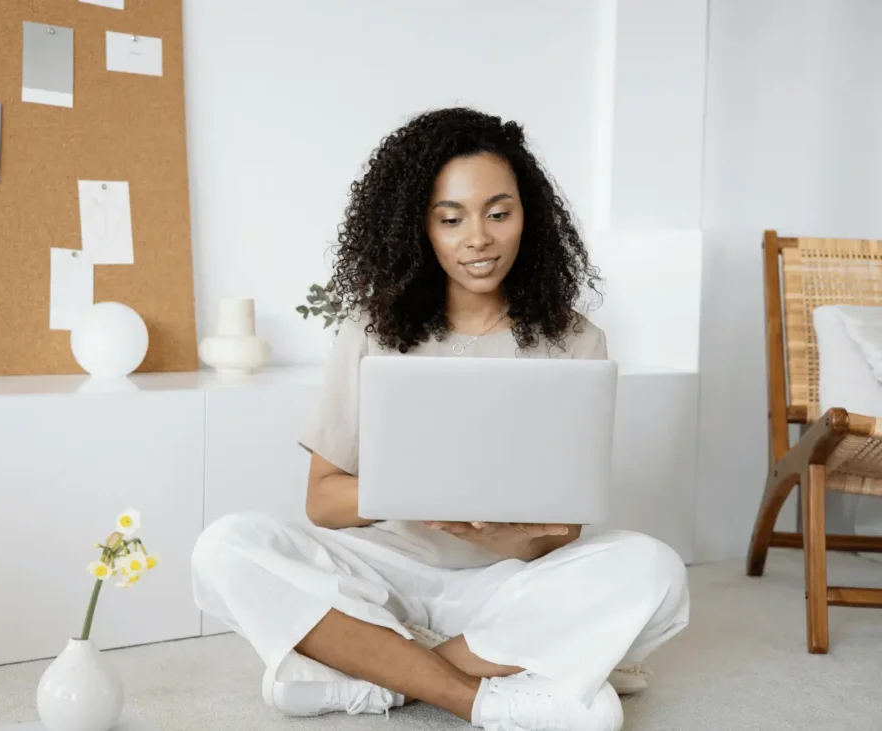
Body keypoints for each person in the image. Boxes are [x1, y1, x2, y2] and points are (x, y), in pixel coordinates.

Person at [191, 107, 689, 731]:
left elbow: (562, 533)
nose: (477, 238)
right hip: (382, 578)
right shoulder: (371, 332)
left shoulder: (576, 340)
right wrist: (414, 493)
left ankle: (379, 673)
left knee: (655, 569)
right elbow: (322, 503)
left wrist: (498, 535)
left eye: (498, 213)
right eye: (451, 219)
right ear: (417, 228)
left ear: (527, 218)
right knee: (226, 547)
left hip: (503, 586)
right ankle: (481, 695)